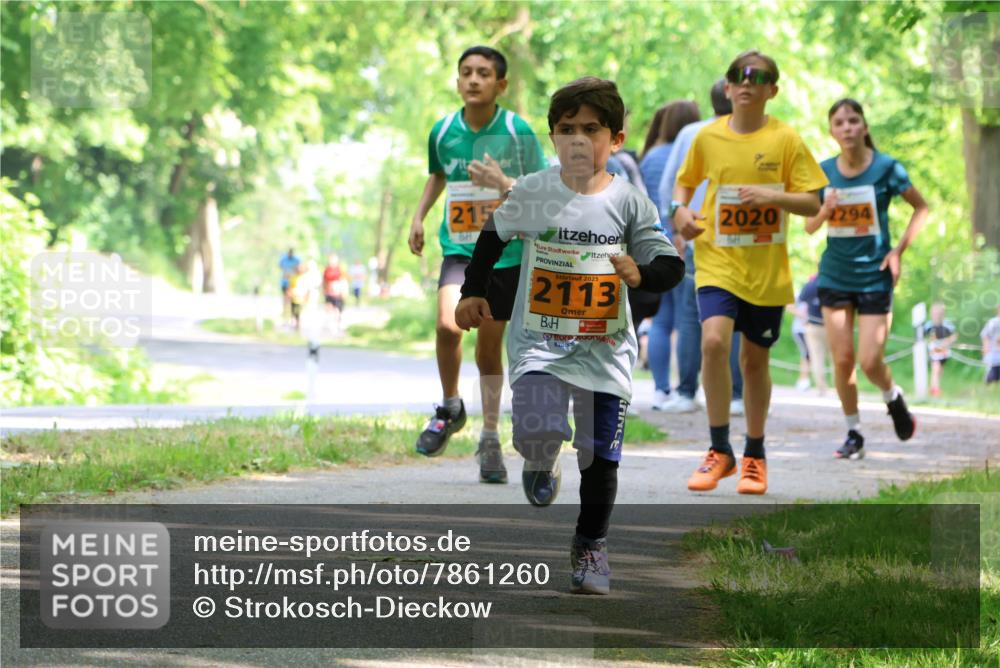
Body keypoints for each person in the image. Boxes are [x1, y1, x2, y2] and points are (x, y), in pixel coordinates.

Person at [456, 77, 683, 594]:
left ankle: (590, 544)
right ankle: (541, 457)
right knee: (539, 431)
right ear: (553, 137)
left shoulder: (629, 203)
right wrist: (472, 291)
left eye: (592, 129)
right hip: (541, 344)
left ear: (616, 139)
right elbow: (492, 236)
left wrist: (642, 274)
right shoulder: (536, 191)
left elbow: (670, 265)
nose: (578, 139)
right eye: (566, 129)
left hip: (605, 351)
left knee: (601, 457)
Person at [673, 51, 827, 494]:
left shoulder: (786, 139)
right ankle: (719, 449)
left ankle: (755, 454)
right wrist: (680, 210)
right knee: (713, 341)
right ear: (727, 87)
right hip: (716, 259)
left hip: (765, 270)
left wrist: (771, 197)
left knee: (755, 361)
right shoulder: (707, 137)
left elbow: (814, 202)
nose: (746, 83)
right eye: (737, 76)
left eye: (756, 77)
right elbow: (684, 183)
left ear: (771, 90)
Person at [407, 45, 548, 484]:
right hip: (460, 246)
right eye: (466, 72)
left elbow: (542, 188)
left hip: (505, 252)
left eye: (484, 73)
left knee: (488, 350)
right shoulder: (443, 131)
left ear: (500, 84)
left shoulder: (517, 131)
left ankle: (489, 437)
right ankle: (450, 406)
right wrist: (418, 216)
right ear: (457, 81)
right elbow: (438, 175)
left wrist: (502, 182)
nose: (473, 79)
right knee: (447, 325)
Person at [805, 98, 929, 458]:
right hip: (835, 276)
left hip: (875, 276)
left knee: (871, 361)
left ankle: (893, 397)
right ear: (832, 131)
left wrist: (898, 251)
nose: (847, 128)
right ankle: (853, 432)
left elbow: (921, 207)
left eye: (853, 120)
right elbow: (810, 226)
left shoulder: (887, 168)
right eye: (839, 123)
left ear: (864, 126)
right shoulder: (824, 172)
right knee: (843, 359)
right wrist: (825, 209)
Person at [656, 79, 745, 415]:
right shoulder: (748, 134)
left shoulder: (690, 133)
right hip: (740, 236)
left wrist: (673, 229)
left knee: (691, 315)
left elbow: (669, 185)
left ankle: (686, 391)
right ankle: (736, 395)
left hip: (695, 233)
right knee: (735, 313)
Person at [638, 101, 704, 410]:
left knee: (661, 320)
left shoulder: (650, 156)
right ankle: (685, 389)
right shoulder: (693, 150)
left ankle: (661, 389)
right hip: (682, 239)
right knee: (686, 318)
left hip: (652, 242)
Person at [798, 273, 829, 394]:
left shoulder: (809, 286)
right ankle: (839, 386)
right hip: (829, 325)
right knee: (835, 357)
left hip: (813, 325)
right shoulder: (830, 284)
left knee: (816, 358)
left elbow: (800, 302)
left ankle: (821, 388)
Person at [925, 302, 957, 397]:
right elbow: (923, 336)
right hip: (934, 350)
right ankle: (935, 389)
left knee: (939, 370)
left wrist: (947, 342)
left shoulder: (947, 324)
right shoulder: (929, 325)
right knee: (936, 368)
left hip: (944, 351)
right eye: (934, 313)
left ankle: (933, 387)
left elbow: (954, 336)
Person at [322, 253, 347, 333]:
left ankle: (339, 324)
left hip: (338, 293)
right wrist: (324, 290)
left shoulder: (340, 269)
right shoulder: (327, 270)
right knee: (329, 308)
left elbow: (343, 280)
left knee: (337, 309)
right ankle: (331, 324)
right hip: (329, 292)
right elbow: (324, 281)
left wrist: (343, 291)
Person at [279, 248, 301, 326]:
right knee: (286, 302)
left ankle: (294, 319)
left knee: (295, 303)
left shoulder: (297, 260)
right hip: (285, 284)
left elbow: (299, 270)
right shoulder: (283, 259)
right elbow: (281, 267)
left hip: (294, 285)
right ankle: (285, 318)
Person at [982, 305, 1000, 385]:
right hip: (994, 354)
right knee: (992, 376)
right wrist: (986, 348)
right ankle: (988, 389)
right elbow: (985, 335)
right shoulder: (993, 322)